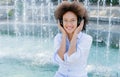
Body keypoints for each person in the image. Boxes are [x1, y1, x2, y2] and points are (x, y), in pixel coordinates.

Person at [53, 1, 93, 77]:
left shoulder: (87, 39)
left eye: (73, 20)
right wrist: (64, 35)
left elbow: (71, 58)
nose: (69, 24)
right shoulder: (58, 38)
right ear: (61, 22)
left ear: (80, 22)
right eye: (65, 20)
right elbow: (58, 59)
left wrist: (75, 35)